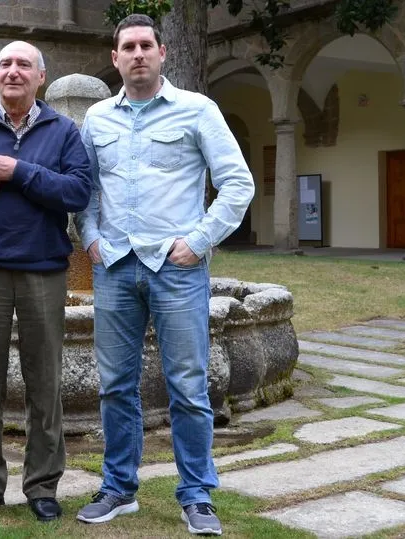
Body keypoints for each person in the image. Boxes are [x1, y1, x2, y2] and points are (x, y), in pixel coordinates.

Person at [73, 14, 255, 536]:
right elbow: (84, 190)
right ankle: (118, 488)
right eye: (126, 47)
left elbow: (237, 184)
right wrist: (90, 240)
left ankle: (196, 494)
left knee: (189, 385)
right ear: (115, 58)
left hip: (176, 270)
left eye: (145, 45)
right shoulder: (98, 119)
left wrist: (197, 243)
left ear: (162, 52)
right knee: (115, 386)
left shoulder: (198, 110)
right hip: (116, 268)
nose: (136, 54)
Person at [0, 40, 92, 523]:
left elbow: (78, 191)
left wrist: (19, 171)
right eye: (5, 64)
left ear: (40, 77)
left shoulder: (63, 130)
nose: (13, 71)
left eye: (23, 64)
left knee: (43, 382)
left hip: (43, 269)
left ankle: (42, 486)